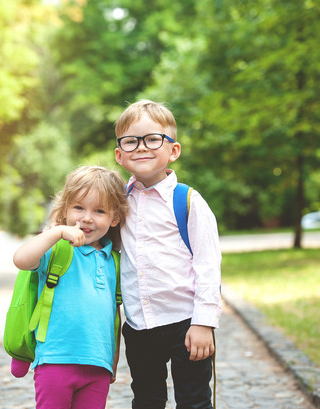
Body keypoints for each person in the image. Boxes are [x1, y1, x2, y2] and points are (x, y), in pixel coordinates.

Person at [114, 99, 222, 409]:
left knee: (194, 400)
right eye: (131, 141)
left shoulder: (188, 201)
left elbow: (208, 266)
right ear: (120, 155)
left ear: (173, 149)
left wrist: (204, 323)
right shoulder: (119, 202)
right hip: (138, 325)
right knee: (146, 399)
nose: (141, 147)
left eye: (152, 139)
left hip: (185, 322)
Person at [12, 165, 129, 409]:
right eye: (78, 207)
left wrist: (114, 360)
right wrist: (55, 233)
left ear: (115, 218)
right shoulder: (58, 249)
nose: (86, 217)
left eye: (99, 211)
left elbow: (113, 316)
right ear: (65, 209)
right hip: (56, 360)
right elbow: (21, 260)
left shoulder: (115, 261)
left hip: (98, 365)